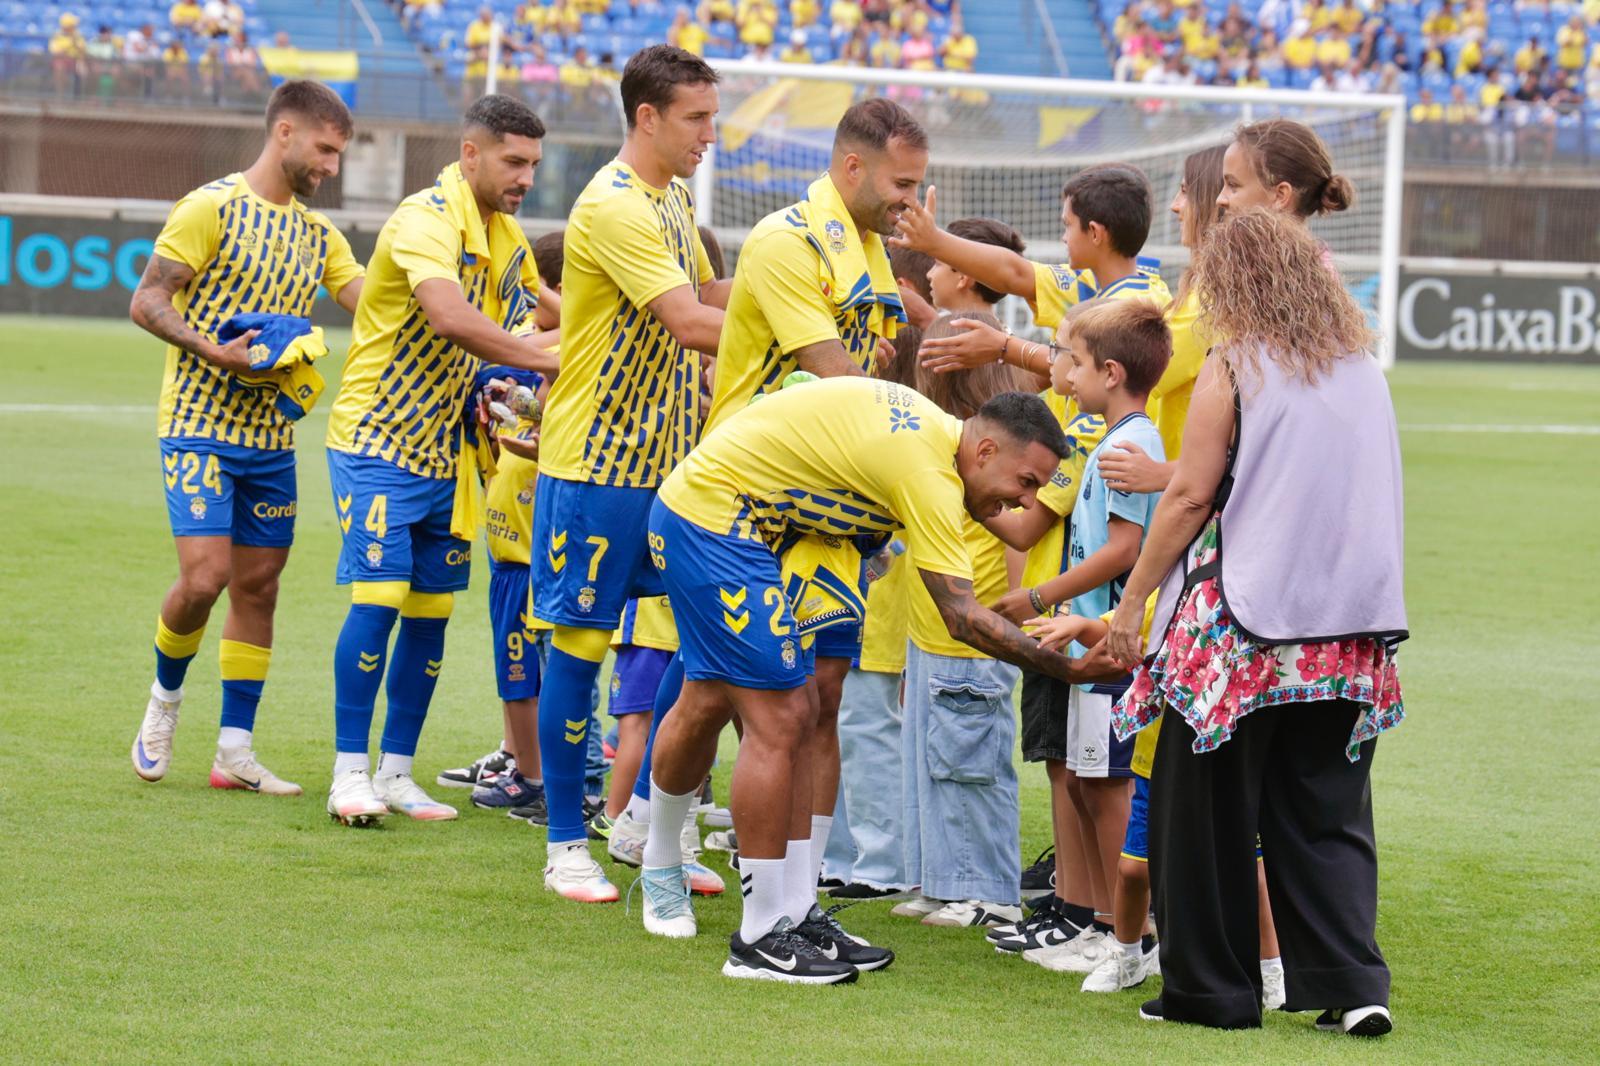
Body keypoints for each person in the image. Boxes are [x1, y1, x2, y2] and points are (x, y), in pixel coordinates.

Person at [644, 378, 1085, 981]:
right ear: (985, 451)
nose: (1026, 502)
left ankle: (796, 908)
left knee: (818, 704)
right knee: (751, 709)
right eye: (1025, 481)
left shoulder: (940, 452)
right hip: (717, 517)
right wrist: (1071, 668)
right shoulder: (929, 472)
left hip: (812, 530)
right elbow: (961, 618)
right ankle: (735, 916)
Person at [1106, 209, 1406, 1034]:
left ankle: (1211, 992)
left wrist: (1134, 600)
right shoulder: (1364, 368)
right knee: (1327, 814)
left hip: (1245, 626)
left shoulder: (1235, 363)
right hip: (1350, 628)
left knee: (1202, 813)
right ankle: (1354, 984)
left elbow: (1189, 495)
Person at [641, 97, 924, 950]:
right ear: (852, 167)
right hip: (746, 506)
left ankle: (798, 901)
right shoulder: (786, 242)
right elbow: (837, 380)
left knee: (821, 700)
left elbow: (868, 377)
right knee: (712, 697)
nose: (911, 201)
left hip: (829, 506)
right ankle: (658, 855)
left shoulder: (870, 249)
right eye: (902, 184)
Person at [322, 95, 558, 827]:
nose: (525, 178)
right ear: (470, 154)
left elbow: (545, 313)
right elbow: (451, 317)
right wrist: (559, 362)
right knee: (381, 597)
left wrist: (614, 333)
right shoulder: (425, 218)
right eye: (513, 162)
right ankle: (348, 771)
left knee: (431, 610)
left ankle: (396, 772)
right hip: (377, 439)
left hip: (446, 453)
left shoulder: (507, 235)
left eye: (533, 165)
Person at [128, 81, 364, 798]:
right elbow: (147, 299)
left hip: (270, 437)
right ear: (284, 132)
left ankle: (235, 751)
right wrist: (214, 350)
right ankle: (164, 701)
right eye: (324, 149)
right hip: (198, 425)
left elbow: (373, 304)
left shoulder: (320, 236)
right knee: (206, 579)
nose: (331, 166)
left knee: (259, 586)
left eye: (339, 154)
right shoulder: (211, 207)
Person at [530, 45, 727, 902]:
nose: (710, 134)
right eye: (696, 118)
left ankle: (646, 822)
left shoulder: (674, 196)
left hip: (673, 465)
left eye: (713, 116)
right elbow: (688, 321)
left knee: (702, 640)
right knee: (579, 651)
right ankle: (564, 843)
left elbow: (714, 296)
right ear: (647, 117)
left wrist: (805, 295)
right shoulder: (612, 205)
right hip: (599, 465)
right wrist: (804, 340)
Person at [897, 314, 1031, 929]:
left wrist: (1019, 611)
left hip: (976, 635)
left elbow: (1020, 537)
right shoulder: (942, 451)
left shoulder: (998, 460)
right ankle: (945, 881)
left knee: (973, 764)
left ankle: (989, 889)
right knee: (937, 764)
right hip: (932, 631)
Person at [457, 230, 565, 816]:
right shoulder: (540, 339)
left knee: (526, 669)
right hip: (508, 539)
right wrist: (509, 402)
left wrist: (520, 432)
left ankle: (537, 777)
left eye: (535, 289)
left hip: (529, 546)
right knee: (515, 666)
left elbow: (555, 432)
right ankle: (520, 760)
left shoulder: (571, 339)